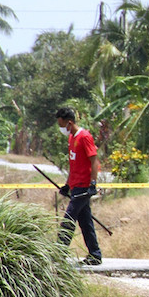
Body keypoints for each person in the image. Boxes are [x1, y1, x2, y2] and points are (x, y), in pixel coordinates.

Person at [54, 107, 102, 266]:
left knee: (68, 219)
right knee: (85, 221)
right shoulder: (71, 138)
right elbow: (73, 165)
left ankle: (58, 255)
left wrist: (93, 184)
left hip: (83, 186)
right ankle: (95, 255)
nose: (61, 128)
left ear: (69, 123)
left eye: (62, 125)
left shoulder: (84, 137)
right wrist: (67, 185)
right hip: (75, 186)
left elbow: (94, 161)